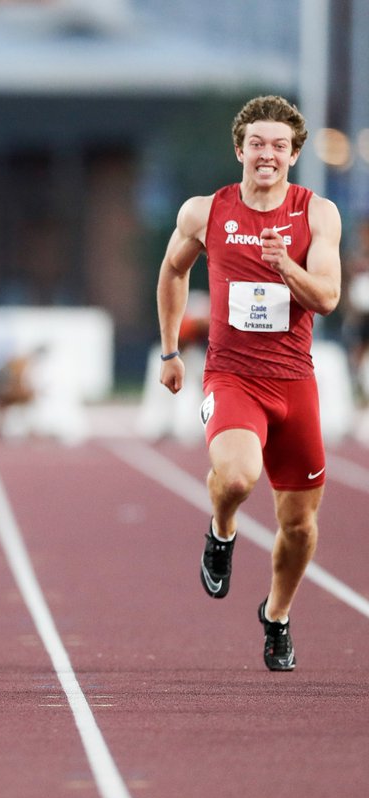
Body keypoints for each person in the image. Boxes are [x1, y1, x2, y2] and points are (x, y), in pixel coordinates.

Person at [156, 95, 342, 672]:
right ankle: (222, 527)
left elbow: (329, 298)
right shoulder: (206, 211)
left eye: (279, 146)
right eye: (257, 144)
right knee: (236, 477)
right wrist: (169, 350)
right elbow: (172, 271)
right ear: (240, 149)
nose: (267, 154)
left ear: (293, 155)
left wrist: (286, 265)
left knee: (300, 525)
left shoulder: (317, 214)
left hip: (294, 382)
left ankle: (277, 616)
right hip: (232, 376)